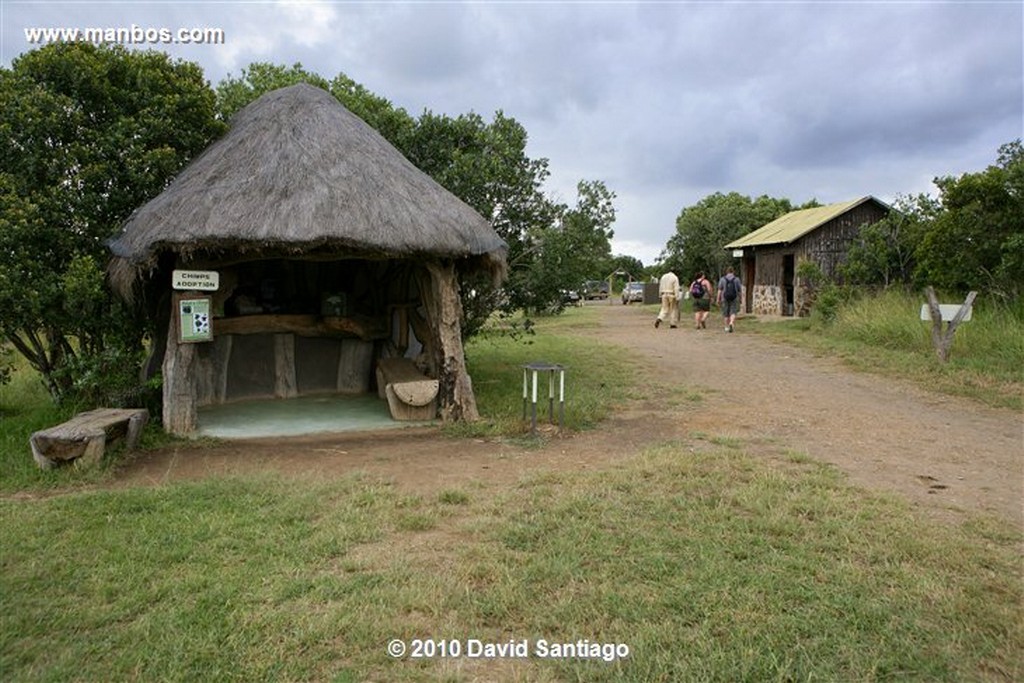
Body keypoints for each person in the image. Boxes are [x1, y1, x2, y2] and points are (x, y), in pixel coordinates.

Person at [716, 266, 743, 332]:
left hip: (724, 297)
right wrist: (741, 298)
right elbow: (739, 290)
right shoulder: (737, 279)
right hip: (734, 297)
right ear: (733, 271)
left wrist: (718, 299)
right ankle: (731, 323)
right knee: (733, 311)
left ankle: (726, 327)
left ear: (726, 272)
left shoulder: (722, 279)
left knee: (726, 313)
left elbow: (719, 290)